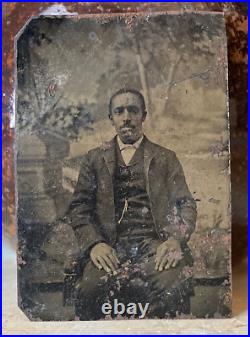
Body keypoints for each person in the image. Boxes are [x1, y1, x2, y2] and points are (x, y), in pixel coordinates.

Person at [66, 88, 197, 320]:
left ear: (143, 116)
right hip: (110, 246)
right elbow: (79, 209)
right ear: (111, 118)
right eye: (119, 111)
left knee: (172, 286)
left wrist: (175, 239)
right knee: (89, 291)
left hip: (155, 246)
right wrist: (95, 244)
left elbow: (185, 203)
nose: (126, 117)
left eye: (133, 110)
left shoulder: (166, 158)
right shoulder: (94, 158)